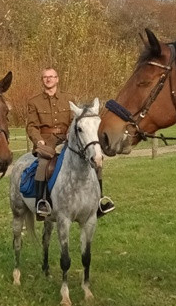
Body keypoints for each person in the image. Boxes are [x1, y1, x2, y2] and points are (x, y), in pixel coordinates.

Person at [25, 67, 115, 219]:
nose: (49, 79)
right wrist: (38, 140)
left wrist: (69, 132)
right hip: (46, 141)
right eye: (46, 77)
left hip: (69, 139)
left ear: (57, 79)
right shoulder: (34, 102)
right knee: (42, 164)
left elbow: (75, 120)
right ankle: (42, 202)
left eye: (52, 76)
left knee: (95, 161)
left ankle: (99, 201)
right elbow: (31, 126)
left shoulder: (69, 98)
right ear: (42, 80)